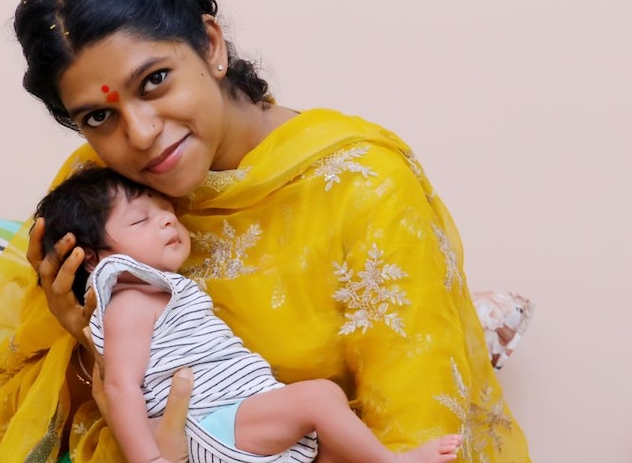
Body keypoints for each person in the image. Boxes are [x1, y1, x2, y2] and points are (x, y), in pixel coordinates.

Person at [0, 0, 532, 462]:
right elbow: (20, 409)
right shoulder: (103, 189)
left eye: (154, 81)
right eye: (98, 118)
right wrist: (82, 339)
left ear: (210, 45)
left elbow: (416, 418)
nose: (142, 133)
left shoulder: (362, 186)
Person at [35, 166, 463, 463]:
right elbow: (120, 384)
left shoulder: (157, 290)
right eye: (142, 219)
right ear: (92, 258)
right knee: (316, 398)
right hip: (205, 428)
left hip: (231, 416)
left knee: (329, 402)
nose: (167, 221)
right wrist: (148, 456)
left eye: (166, 211)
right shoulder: (128, 300)